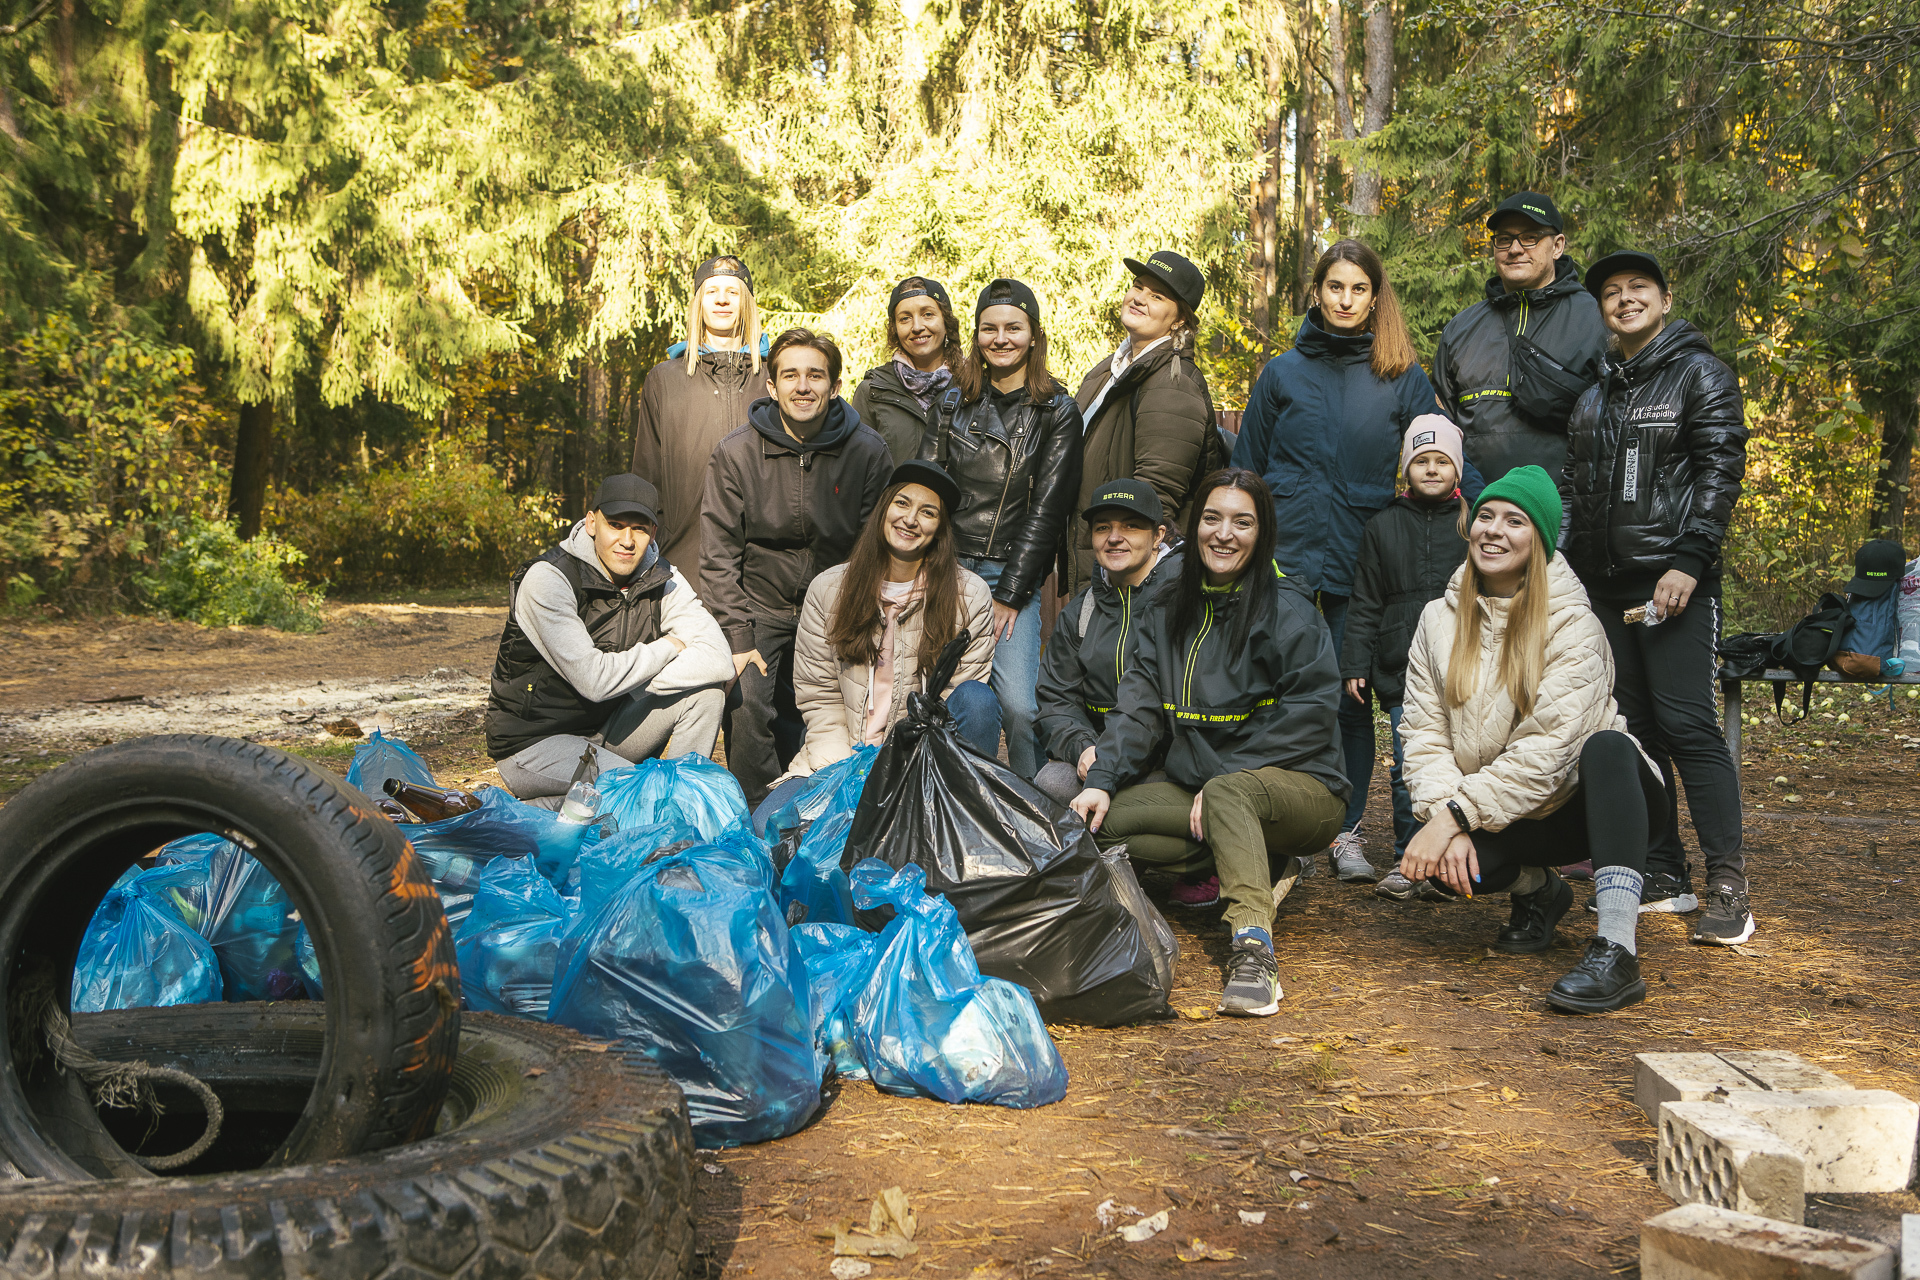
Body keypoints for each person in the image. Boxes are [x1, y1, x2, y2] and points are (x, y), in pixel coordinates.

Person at [1070, 469, 1348, 1018]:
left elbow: (1312, 714)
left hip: (1305, 789)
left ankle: (1253, 949)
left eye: (1242, 522)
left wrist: (1228, 781)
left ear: (1261, 533)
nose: (1225, 533)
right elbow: (1139, 706)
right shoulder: (1167, 606)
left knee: (1228, 797)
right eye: (1212, 518)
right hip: (1209, 788)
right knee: (1110, 823)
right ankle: (1264, 860)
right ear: (1193, 527)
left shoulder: (1287, 610)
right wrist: (1101, 780)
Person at [1399, 466, 1666, 1013]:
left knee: (1607, 747)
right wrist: (1442, 820)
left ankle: (1617, 950)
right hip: (1510, 813)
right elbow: (1424, 736)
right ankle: (1541, 894)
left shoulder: (1575, 625)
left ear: (1539, 540)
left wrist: (1452, 817)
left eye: (1515, 521)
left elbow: (1547, 752)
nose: (1494, 530)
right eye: (1487, 516)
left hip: (1601, 803)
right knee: (1450, 870)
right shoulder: (1436, 621)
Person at [1231, 239, 1455, 885]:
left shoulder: (1402, 376)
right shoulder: (1282, 374)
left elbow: (1436, 466)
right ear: (1318, 292)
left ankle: (1348, 831)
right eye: (1336, 287)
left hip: (1365, 559)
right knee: (1282, 695)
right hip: (1287, 559)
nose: (1347, 300)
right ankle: (1285, 823)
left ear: (1374, 297)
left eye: (1359, 289)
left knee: (1351, 698)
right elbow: (1248, 468)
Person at [1562, 250, 1752, 944]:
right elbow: (1574, 488)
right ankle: (1664, 873)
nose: (1623, 299)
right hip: (1605, 590)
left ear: (1665, 298)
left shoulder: (1701, 373)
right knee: (1633, 728)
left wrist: (1691, 561)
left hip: (1672, 581)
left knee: (1687, 724)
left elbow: (1720, 467)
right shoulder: (1595, 393)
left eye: (1637, 287)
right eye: (1610, 292)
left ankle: (1727, 881)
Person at [702, 328, 894, 804]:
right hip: (759, 604)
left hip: (837, 603)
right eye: (790, 375)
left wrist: (858, 614)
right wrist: (738, 635)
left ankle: (827, 808)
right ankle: (759, 814)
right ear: (772, 386)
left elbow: (875, 545)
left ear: (833, 385)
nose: (802, 386)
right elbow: (719, 552)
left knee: (830, 711)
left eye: (815, 375)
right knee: (746, 702)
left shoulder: (867, 452)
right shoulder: (736, 452)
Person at [761, 461, 1000, 821]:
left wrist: (898, 774)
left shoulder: (969, 595)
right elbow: (819, 697)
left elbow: (958, 701)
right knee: (768, 828)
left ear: (940, 529)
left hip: (921, 763)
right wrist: (847, 778)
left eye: (928, 512)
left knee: (978, 700)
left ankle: (958, 820)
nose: (911, 519)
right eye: (902, 503)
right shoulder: (828, 590)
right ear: (884, 508)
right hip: (840, 757)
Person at [919, 278, 1083, 779]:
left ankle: (1035, 809)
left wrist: (1011, 592)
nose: (1001, 338)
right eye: (989, 328)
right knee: (943, 692)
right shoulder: (951, 401)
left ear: (1034, 335)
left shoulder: (1056, 409)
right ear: (976, 336)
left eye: (1014, 327)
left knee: (1019, 704)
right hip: (945, 567)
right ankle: (961, 798)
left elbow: (1049, 512)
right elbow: (926, 487)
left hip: (1009, 574)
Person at [486, 474, 734, 802]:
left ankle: (683, 807)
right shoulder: (548, 579)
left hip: (609, 727)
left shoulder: (664, 578)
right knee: (636, 791)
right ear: (591, 523)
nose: (627, 541)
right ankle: (540, 811)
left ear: (653, 533)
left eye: (640, 528)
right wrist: (668, 647)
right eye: (615, 525)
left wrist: (631, 682)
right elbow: (595, 681)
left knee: (705, 694)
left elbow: (719, 659)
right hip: (535, 742)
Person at [1338, 416, 1472, 901]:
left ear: (1457, 469)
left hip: (1465, 665)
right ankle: (1405, 857)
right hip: (1400, 668)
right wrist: (1356, 662)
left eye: (1441, 461)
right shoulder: (1383, 525)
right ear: (1406, 469)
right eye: (1421, 461)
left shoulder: (1474, 522)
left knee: (1460, 765)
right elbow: (1366, 599)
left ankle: (1452, 860)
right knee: (1408, 767)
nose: (1431, 469)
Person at [1066, 251, 1216, 600]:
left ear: (1180, 321)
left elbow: (1156, 500)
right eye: (1137, 287)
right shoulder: (1107, 371)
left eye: (1157, 296)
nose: (1139, 298)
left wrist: (1125, 575)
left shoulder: (1172, 383)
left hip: (1129, 578)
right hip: (1102, 565)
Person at [1432, 192, 1608, 484]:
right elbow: (1441, 430)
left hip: (1566, 515)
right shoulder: (1461, 329)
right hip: (1478, 512)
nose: (1514, 249)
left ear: (1558, 246)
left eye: (1530, 237)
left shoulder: (1596, 321)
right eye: (1504, 239)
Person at [1034, 479, 1180, 808]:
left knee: (1145, 802)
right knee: (1051, 782)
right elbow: (1056, 699)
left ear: (1158, 536)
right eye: (1103, 528)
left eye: (1130, 526)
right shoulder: (1081, 611)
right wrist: (1083, 748)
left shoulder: (1184, 599)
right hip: (1098, 757)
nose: (1114, 537)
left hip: (1169, 761)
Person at [630, 255, 767, 570]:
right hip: (682, 559)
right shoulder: (665, 379)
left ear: (746, 303)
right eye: (712, 291)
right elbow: (646, 474)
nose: (722, 300)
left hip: (764, 565)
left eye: (732, 292)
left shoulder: (775, 377)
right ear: (698, 303)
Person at [851, 277, 962, 464]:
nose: (917, 327)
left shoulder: (972, 386)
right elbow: (858, 470)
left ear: (946, 321)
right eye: (905, 318)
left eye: (928, 314)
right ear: (894, 328)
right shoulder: (872, 391)